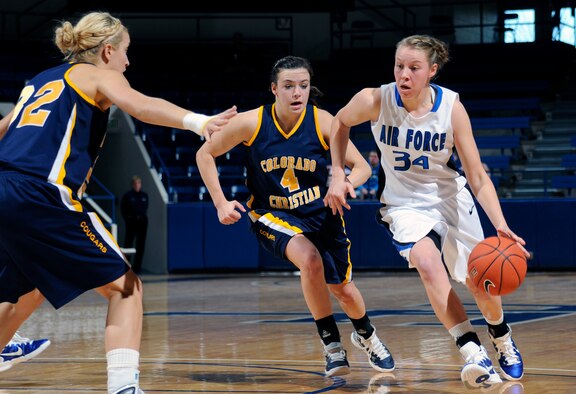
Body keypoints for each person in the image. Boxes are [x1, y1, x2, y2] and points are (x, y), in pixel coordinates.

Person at [0, 11, 236, 394]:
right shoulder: (99, 75)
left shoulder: (41, 80)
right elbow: (140, 105)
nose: (128, 61)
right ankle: (124, 387)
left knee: (27, 288)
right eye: (126, 52)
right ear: (107, 50)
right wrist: (198, 121)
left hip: (5, 189)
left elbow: (4, 130)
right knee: (125, 288)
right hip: (41, 193)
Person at [324, 35, 530, 390]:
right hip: (403, 204)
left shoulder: (451, 108)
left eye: (414, 68)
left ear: (432, 71)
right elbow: (339, 123)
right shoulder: (375, 99)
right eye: (399, 65)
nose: (404, 74)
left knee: (481, 283)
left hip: (450, 198)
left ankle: (500, 335)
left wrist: (501, 225)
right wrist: (337, 174)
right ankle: (473, 353)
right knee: (428, 263)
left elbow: (477, 176)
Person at [196, 55, 395, 377]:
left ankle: (367, 334)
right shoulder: (252, 123)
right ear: (274, 89)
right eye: (288, 86)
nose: (297, 93)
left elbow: (361, 168)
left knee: (343, 289)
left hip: (322, 214)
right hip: (271, 214)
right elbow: (204, 154)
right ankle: (331, 344)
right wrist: (220, 203)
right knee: (310, 260)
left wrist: (342, 184)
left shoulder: (322, 122)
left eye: (303, 86)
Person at [121, 175, 149, 273]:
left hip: (142, 223)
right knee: (128, 244)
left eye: (139, 183)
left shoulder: (144, 196)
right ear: (133, 185)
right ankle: (127, 266)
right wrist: (128, 220)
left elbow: (145, 209)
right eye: (136, 183)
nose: (138, 185)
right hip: (131, 224)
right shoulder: (128, 196)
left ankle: (137, 268)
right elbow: (123, 210)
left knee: (140, 246)